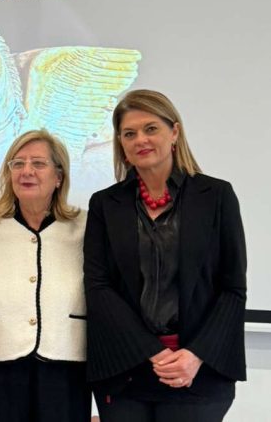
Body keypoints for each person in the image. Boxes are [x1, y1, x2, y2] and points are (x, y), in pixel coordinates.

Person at [84, 89, 246, 421]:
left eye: (151, 128)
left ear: (174, 132)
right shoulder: (105, 204)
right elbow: (99, 287)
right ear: (121, 144)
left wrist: (195, 355)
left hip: (198, 371)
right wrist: (153, 352)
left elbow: (233, 288)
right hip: (125, 370)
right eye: (129, 133)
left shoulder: (216, 196)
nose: (140, 140)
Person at [0, 129, 90, 422]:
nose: (26, 171)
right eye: (18, 163)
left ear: (58, 176)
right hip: (1, 358)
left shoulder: (85, 226)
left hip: (67, 356)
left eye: (38, 163)